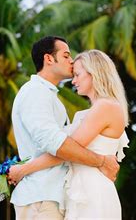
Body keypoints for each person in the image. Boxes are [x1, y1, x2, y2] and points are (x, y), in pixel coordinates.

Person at [9, 48, 129, 220]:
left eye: (78, 75)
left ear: (93, 73)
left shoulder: (105, 107)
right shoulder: (98, 109)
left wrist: (24, 169)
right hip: (79, 192)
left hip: (92, 192)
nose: (73, 81)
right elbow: (66, 149)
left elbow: (66, 151)